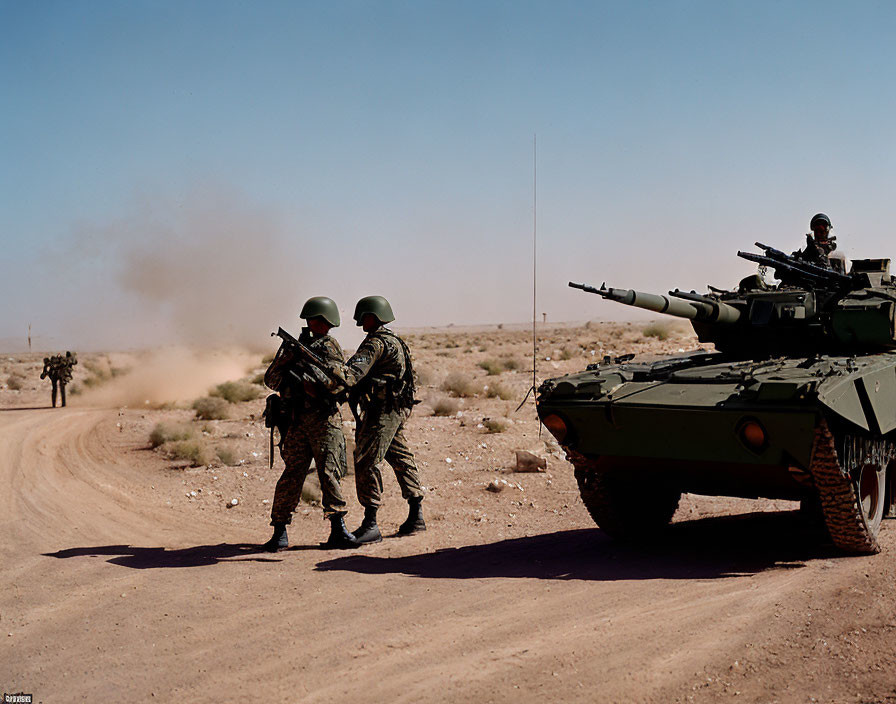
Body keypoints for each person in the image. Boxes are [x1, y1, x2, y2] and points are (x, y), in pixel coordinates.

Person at [261, 297, 358, 551]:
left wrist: (314, 380)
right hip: (296, 421)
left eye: (322, 320)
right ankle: (279, 531)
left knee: (330, 474)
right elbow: (271, 381)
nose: (319, 324)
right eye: (316, 320)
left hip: (323, 419)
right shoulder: (294, 348)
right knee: (292, 475)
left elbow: (340, 382)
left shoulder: (329, 347)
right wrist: (286, 362)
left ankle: (338, 529)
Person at [338, 296, 424, 544]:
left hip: (381, 411)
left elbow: (352, 373)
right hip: (394, 408)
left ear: (372, 316)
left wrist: (330, 370)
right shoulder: (395, 341)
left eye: (364, 316)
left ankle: (371, 523)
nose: (361, 320)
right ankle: (416, 515)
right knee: (401, 458)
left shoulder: (376, 343)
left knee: (366, 461)